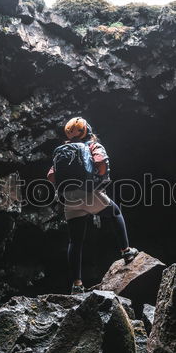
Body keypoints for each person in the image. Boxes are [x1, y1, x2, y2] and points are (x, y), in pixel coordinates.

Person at [47, 117, 138, 294]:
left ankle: (76, 285)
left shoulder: (62, 152)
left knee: (75, 241)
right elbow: (100, 164)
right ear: (87, 130)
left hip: (69, 198)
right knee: (115, 213)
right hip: (88, 192)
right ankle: (126, 252)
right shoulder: (91, 145)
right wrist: (95, 181)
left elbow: (51, 177)